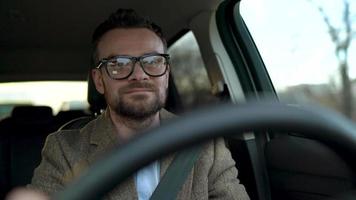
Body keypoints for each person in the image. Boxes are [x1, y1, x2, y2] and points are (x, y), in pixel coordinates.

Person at [23, 8, 249, 200]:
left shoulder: (205, 142)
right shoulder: (64, 149)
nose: (139, 75)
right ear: (100, 81)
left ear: (166, 74)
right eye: (119, 64)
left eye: (152, 61)